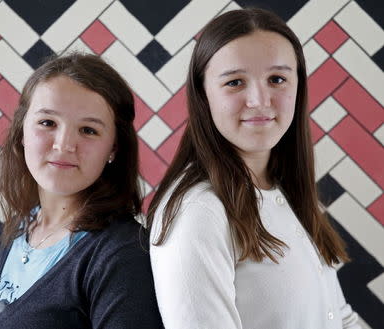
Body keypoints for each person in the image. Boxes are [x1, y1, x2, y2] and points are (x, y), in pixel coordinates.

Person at [147, 8, 360, 329]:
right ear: (203, 95)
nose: (260, 100)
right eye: (235, 82)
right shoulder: (198, 212)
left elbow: (340, 317)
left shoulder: (288, 190)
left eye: (277, 79)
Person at [0, 53, 163, 329]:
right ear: (22, 132)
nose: (64, 144)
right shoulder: (8, 236)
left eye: (88, 130)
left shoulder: (122, 255)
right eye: (48, 123)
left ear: (113, 148)